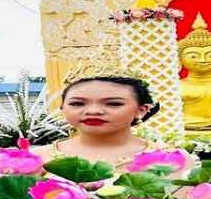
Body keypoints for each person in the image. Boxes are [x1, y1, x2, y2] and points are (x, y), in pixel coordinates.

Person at [34, 57, 164, 170]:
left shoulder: (168, 158)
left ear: (141, 110)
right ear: (63, 107)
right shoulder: (36, 158)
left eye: (113, 104)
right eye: (77, 103)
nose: (93, 111)